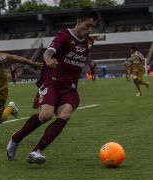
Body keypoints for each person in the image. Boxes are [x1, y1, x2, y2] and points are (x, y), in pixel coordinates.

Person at [6, 7, 98, 164]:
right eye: (87, 25)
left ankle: (36, 151)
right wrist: (48, 59)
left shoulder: (89, 42)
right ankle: (16, 138)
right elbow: (49, 51)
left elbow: (79, 58)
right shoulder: (63, 36)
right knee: (46, 115)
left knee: (65, 114)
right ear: (79, 21)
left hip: (69, 86)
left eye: (92, 27)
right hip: (52, 81)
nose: (89, 30)